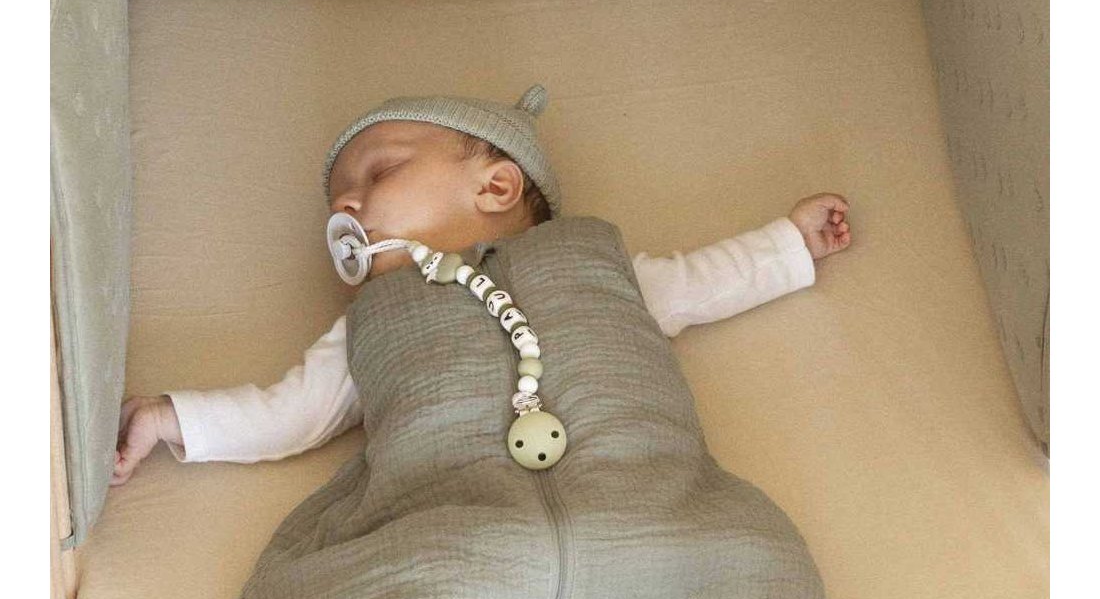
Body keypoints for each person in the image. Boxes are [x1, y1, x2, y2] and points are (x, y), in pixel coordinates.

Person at [112, 90, 850, 480]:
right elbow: (289, 414)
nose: (347, 207)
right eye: (339, 203)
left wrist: (790, 242)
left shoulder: (588, 266)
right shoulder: (375, 322)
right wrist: (172, 418)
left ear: (496, 186)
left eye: (378, 173)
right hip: (459, 510)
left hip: (630, 483)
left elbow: (696, 284)